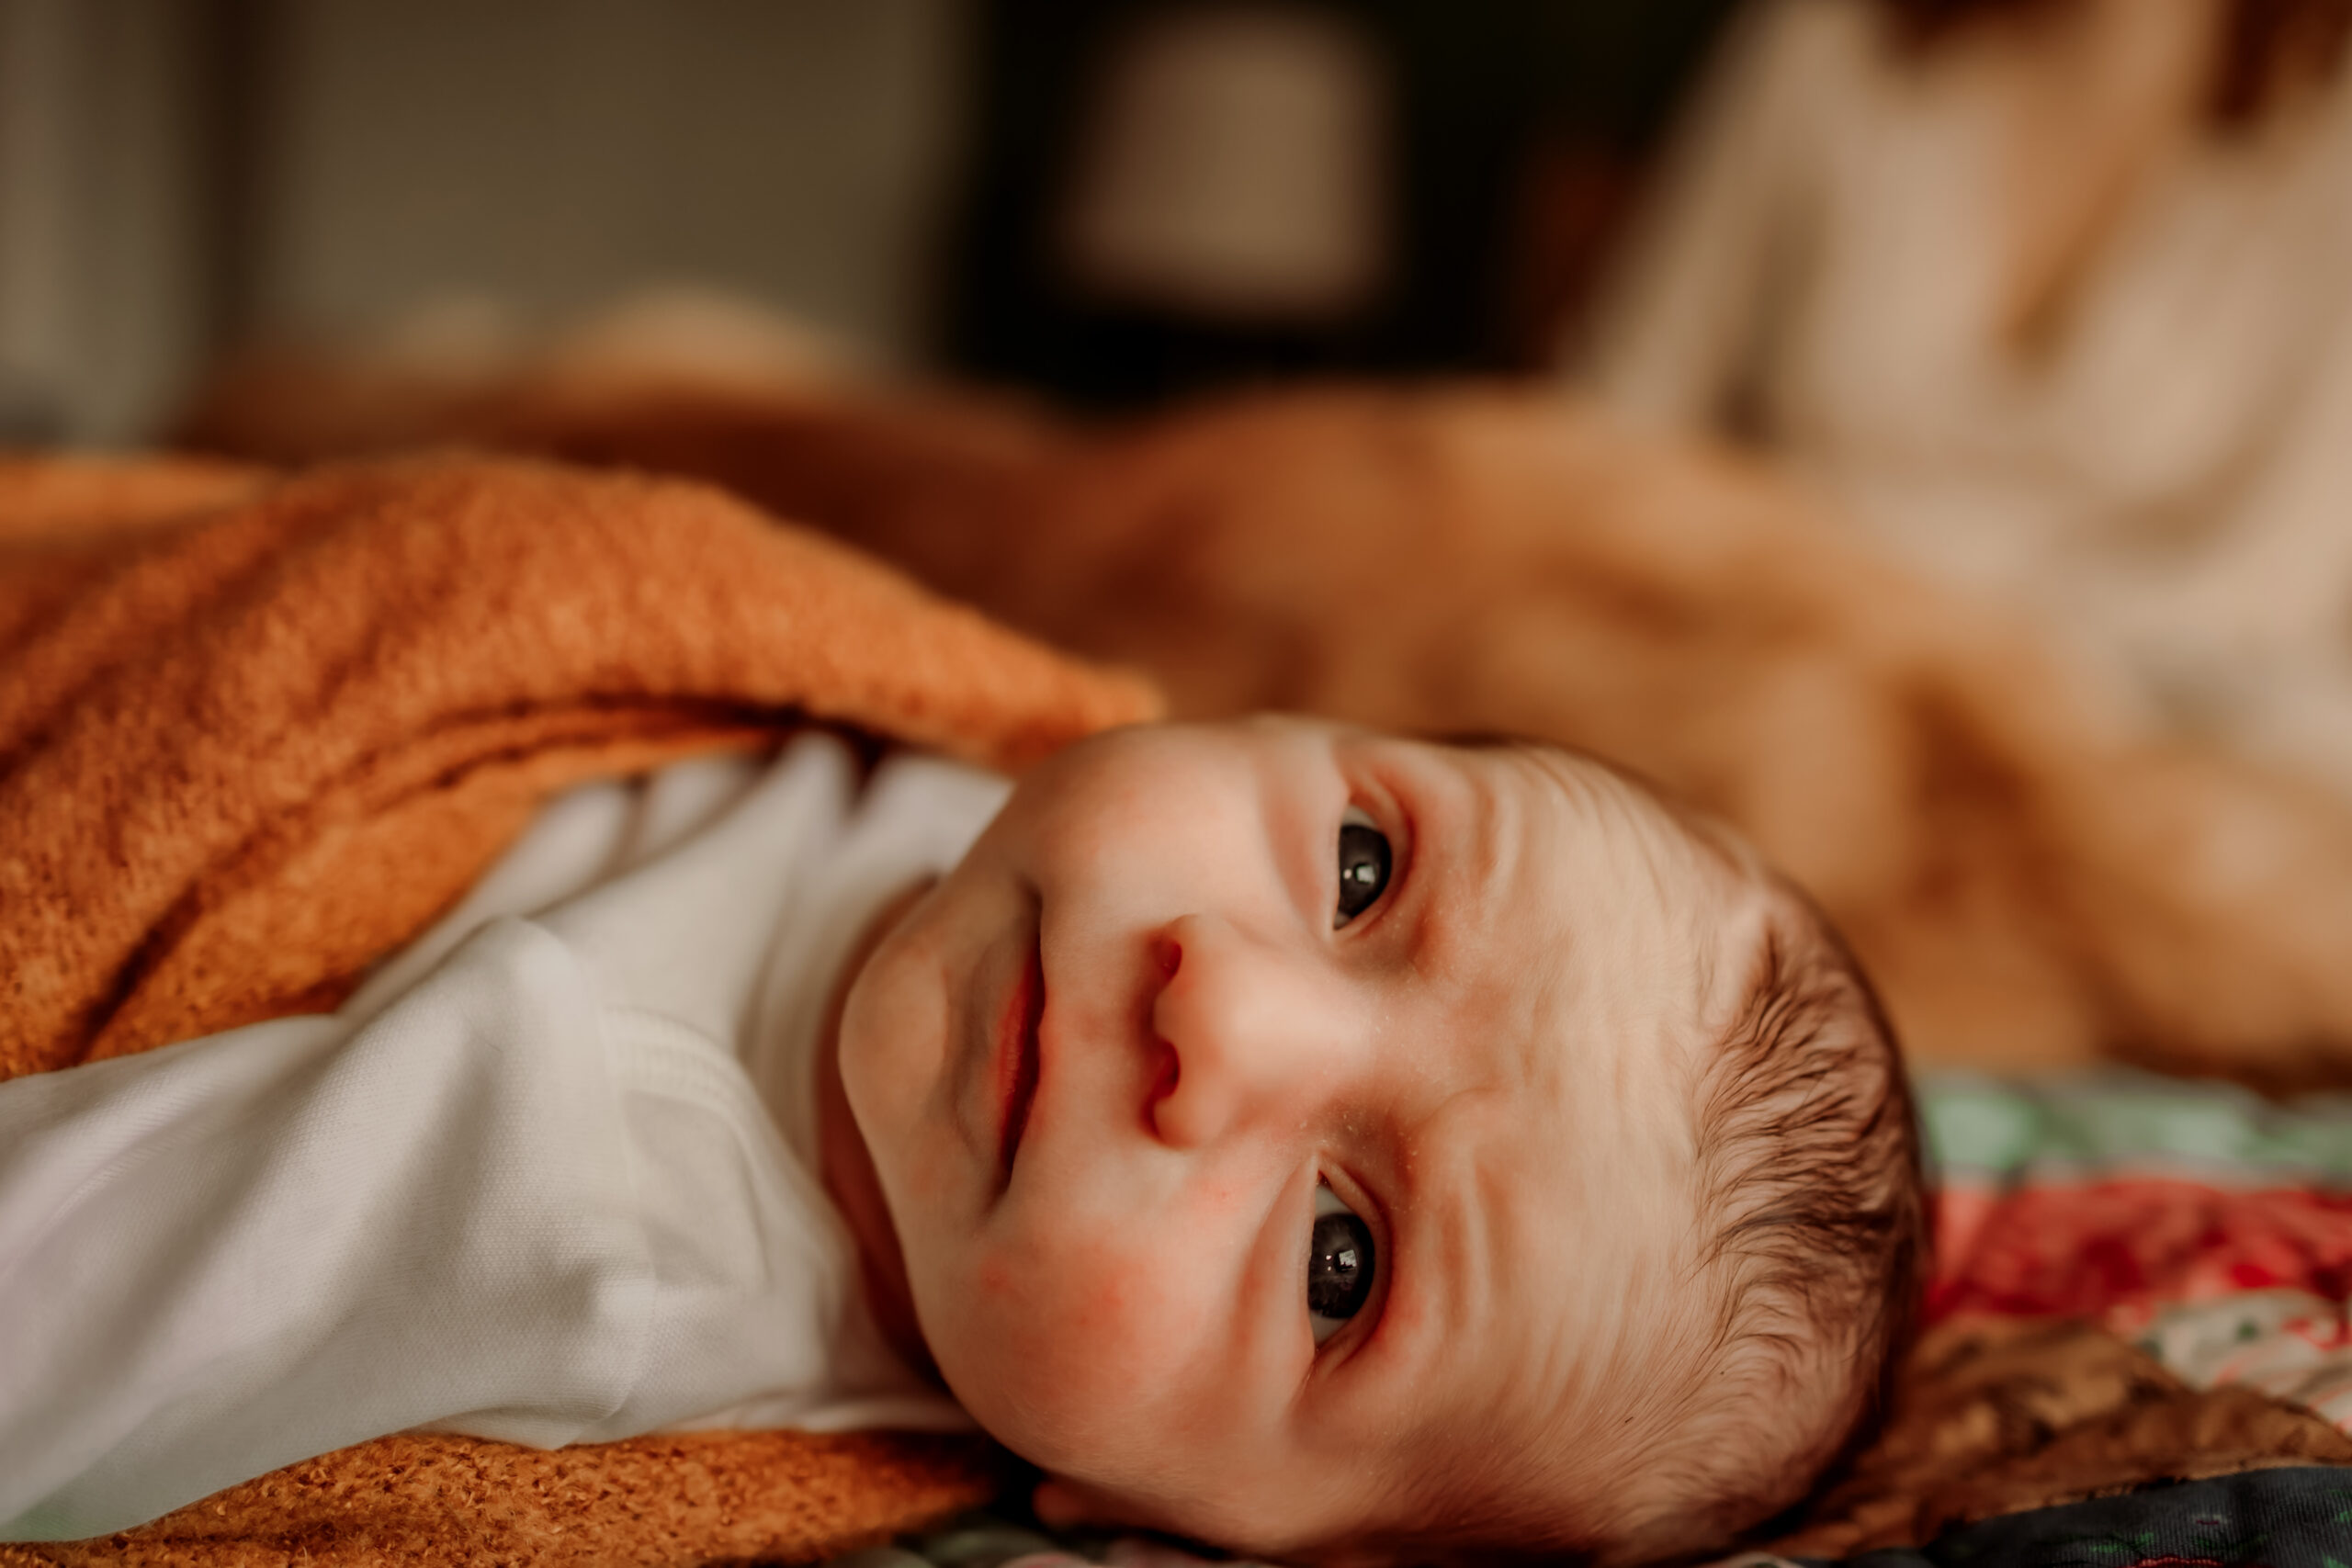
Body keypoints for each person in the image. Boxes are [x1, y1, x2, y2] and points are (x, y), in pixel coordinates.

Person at [0, 716, 1925, 1566]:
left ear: (1176, 1528)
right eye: (1360, 868)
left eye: (1343, 1254)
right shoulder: (982, 748)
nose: (1225, 1008)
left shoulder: (584, 1197)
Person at [1577, 0, 2352, 796]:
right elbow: (1608, 429)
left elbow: (2275, 591)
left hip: (2132, 755)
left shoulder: (2332, 137)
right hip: (1758, 697)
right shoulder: (1832, 41)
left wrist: (1973, 666)